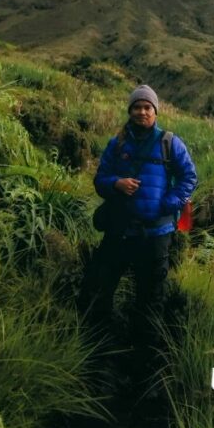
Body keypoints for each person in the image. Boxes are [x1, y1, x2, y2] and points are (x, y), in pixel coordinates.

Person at [81, 83, 198, 354]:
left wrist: (167, 204)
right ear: (130, 111)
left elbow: (189, 178)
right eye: (137, 107)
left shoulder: (170, 143)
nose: (142, 112)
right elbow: (100, 180)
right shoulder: (117, 143)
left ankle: (145, 358)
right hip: (120, 232)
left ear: (155, 112)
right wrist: (116, 184)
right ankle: (98, 351)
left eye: (147, 107)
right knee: (99, 290)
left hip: (156, 235)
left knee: (151, 300)